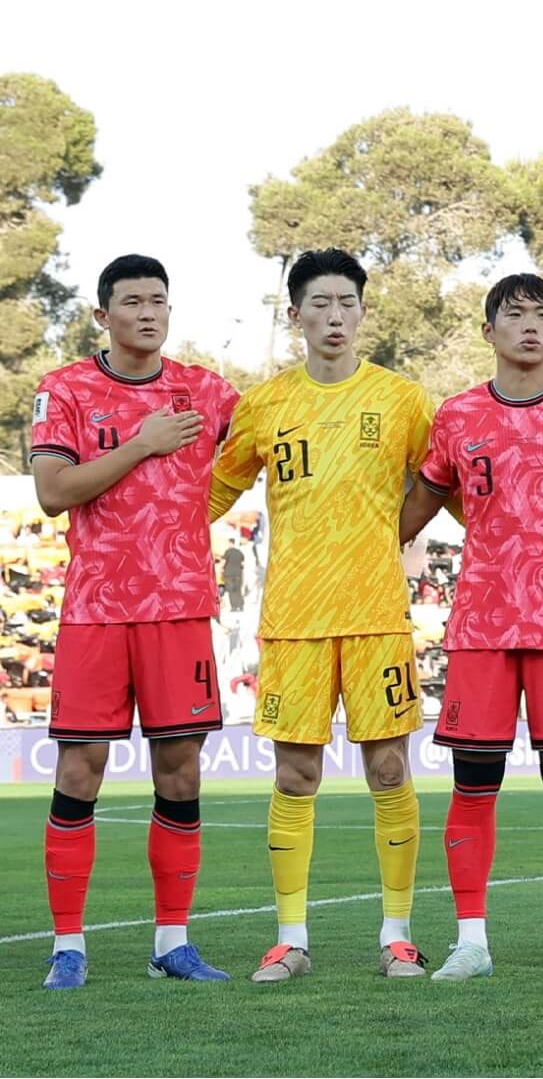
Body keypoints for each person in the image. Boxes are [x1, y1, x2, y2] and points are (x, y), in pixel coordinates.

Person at [209, 248, 433, 983]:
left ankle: (396, 935)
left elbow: (448, 482)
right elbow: (209, 494)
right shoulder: (265, 404)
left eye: (347, 303)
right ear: (295, 314)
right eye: (320, 303)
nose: (334, 316)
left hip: (377, 615)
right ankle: (290, 939)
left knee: (389, 769)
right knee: (296, 774)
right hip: (294, 619)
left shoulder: (403, 400)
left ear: (362, 312)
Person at [399, 273, 543, 982]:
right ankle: (471, 942)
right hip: (482, 625)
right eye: (514, 314)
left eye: (541, 315)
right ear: (489, 331)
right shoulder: (458, 415)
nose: (529, 326)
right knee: (474, 786)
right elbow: (416, 506)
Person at [31, 254, 239, 989]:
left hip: (180, 607)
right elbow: (54, 491)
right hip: (96, 609)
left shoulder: (207, 392)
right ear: (102, 315)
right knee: (79, 769)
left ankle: (172, 942)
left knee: (180, 772)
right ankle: (68, 946)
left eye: (158, 301)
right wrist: (142, 443)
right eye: (132, 302)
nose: (148, 313)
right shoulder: (64, 389)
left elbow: (271, 440)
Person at [221, 538, 245, 612]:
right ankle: (240, 606)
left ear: (230, 543)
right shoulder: (239, 552)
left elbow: (223, 562)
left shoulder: (227, 552)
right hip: (238, 573)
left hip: (229, 574)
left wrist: (221, 569)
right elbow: (243, 562)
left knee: (231, 590)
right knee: (238, 590)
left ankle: (234, 607)